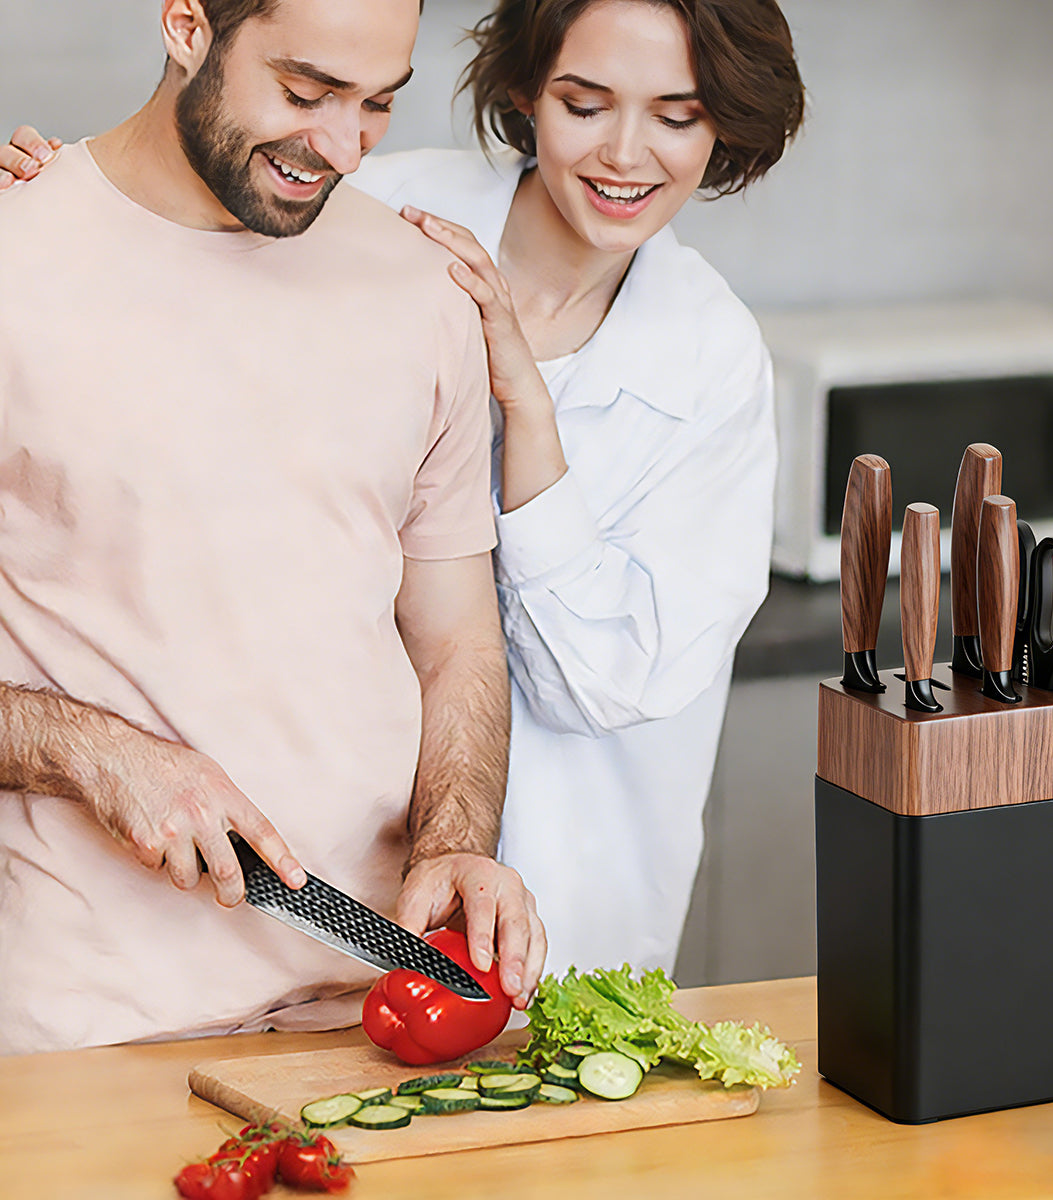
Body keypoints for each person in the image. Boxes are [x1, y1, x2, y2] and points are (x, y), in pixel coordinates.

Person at [3, 0, 804, 978]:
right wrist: (59, 202)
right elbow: (194, 197)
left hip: (533, 896)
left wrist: (528, 411)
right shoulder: (373, 201)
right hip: (205, 933)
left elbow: (576, 671)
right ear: (527, 91)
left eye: (677, 116)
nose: (627, 153)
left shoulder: (709, 357)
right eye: (586, 104)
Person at [0, 0, 545, 1056]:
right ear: (187, 25)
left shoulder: (419, 284)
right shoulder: (15, 258)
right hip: (94, 1027)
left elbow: (457, 640)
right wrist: (94, 752)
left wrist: (456, 841)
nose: (341, 146)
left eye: (377, 102)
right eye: (304, 92)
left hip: (382, 1006)